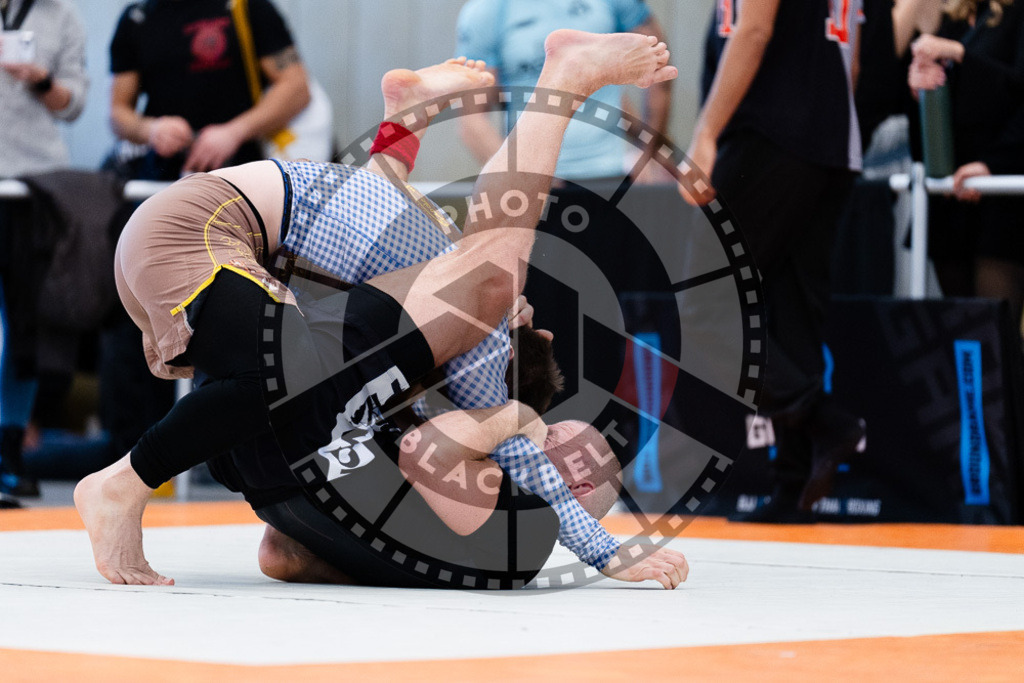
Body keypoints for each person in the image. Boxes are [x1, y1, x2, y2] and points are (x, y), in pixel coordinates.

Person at [75, 31, 682, 587]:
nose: (557, 435)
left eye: (574, 448)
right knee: (485, 276)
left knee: (335, 333)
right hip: (209, 229)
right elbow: (488, 438)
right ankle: (560, 85)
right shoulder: (478, 347)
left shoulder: (391, 387)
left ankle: (408, 114)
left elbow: (282, 553)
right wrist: (591, 533)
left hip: (204, 241)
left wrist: (511, 417)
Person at [685, 0, 868, 521]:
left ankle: (823, 419)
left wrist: (706, 131)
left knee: (703, 304)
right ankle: (793, 489)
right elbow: (851, 62)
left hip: (769, 132)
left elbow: (755, 28)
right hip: (830, 140)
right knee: (790, 315)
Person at [0, 0, 88, 508]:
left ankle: (10, 452)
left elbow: (74, 104)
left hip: (36, 182)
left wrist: (39, 79)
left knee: (26, 323)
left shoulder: (62, 15)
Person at [908, 0, 1024, 336]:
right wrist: (920, 92)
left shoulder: (1015, 15)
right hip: (952, 199)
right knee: (960, 342)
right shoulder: (955, 21)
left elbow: (1017, 89)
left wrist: (992, 165)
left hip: (1004, 197)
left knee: (993, 341)